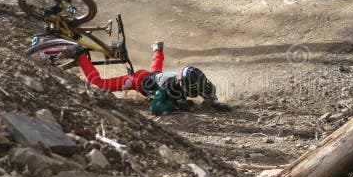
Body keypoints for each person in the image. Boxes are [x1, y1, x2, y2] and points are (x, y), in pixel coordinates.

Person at [62, 41, 230, 114]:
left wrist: (215, 103)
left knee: (156, 73)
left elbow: (209, 93)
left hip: (155, 77)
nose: (199, 91)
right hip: (139, 81)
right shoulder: (165, 90)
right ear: (183, 85)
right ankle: (80, 55)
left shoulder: (197, 80)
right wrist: (178, 107)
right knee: (99, 84)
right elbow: (155, 108)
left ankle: (158, 50)